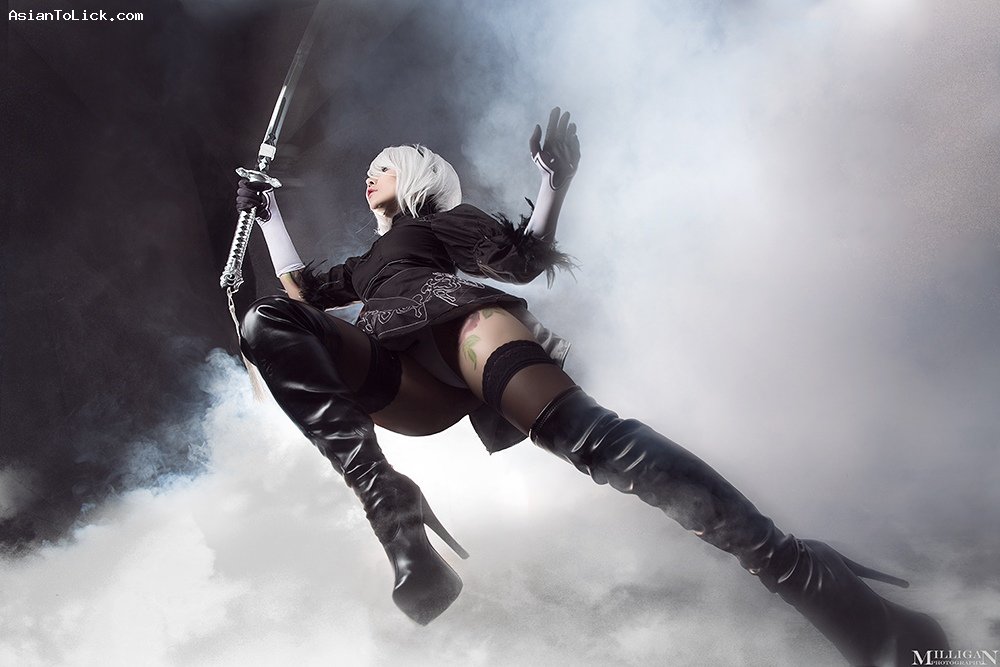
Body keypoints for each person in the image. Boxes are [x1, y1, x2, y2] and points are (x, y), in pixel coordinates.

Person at [235, 108, 947, 664]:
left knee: (594, 441)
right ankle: (387, 501)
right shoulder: (365, 264)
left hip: (461, 327)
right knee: (268, 322)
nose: (369, 177)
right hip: (408, 376)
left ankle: (809, 578)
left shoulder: (444, 224)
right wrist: (269, 217)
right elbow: (302, 297)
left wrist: (555, 181)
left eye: (382, 167)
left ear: (417, 174)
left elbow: (522, 261)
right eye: (368, 171)